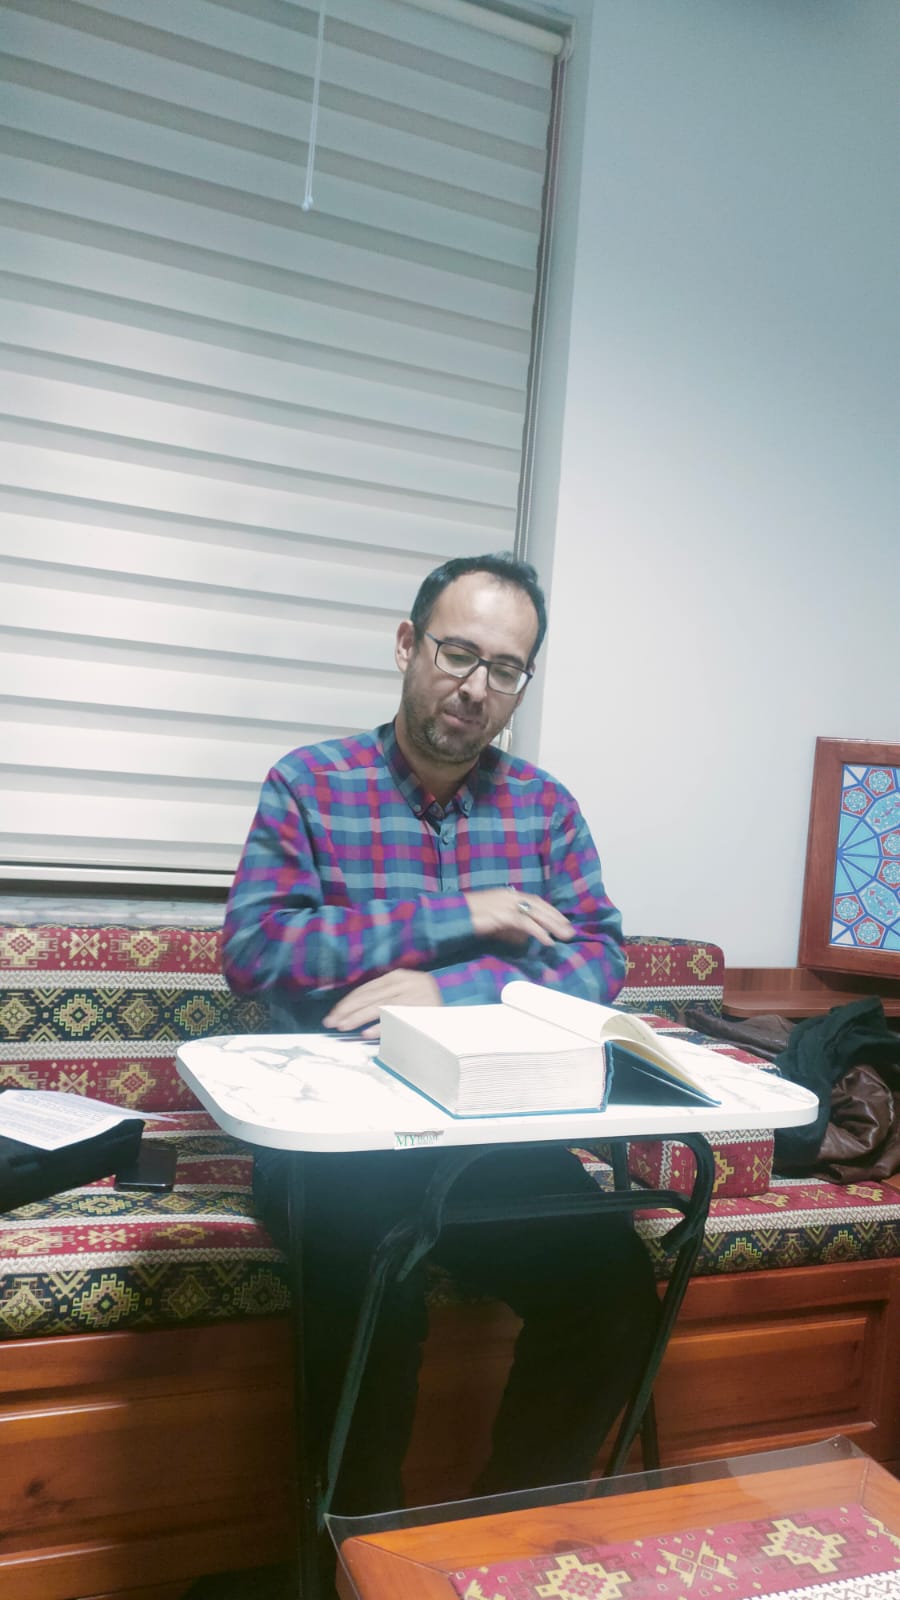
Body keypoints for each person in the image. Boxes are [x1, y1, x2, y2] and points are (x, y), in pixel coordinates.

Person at [222, 553, 658, 1514]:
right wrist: (457, 914)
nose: (474, 687)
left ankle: (504, 1532)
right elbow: (256, 950)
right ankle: (359, 1551)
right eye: (458, 654)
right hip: (335, 1142)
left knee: (616, 1290)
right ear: (408, 645)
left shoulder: (545, 808)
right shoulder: (310, 784)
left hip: (495, 1134)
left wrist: (450, 992)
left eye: (505, 669)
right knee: (373, 1300)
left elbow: (597, 958)